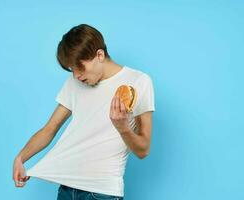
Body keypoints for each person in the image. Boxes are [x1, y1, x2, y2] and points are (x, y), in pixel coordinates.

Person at [12, 24, 155, 200]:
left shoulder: (138, 81)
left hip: (102, 193)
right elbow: (50, 129)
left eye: (80, 68)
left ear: (100, 55)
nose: (76, 76)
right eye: (72, 70)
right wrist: (20, 158)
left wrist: (123, 128)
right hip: (66, 189)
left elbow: (143, 150)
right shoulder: (74, 84)